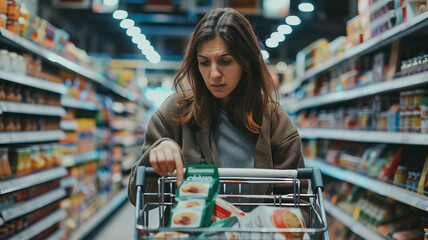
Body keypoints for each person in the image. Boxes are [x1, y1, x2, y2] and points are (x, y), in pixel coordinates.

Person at [128, 7, 305, 206]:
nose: (214, 74)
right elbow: (138, 198)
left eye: (225, 61)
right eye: (204, 62)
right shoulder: (175, 112)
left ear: (246, 60)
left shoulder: (275, 121)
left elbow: (299, 201)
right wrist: (157, 153)